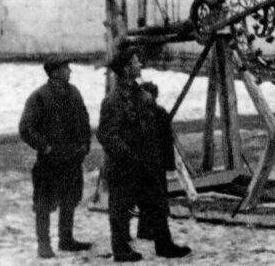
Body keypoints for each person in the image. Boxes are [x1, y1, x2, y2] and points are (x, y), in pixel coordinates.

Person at [98, 48, 190, 262]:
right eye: (135, 62)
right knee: (121, 208)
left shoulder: (143, 96)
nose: (140, 65)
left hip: (147, 164)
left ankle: (164, 245)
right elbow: (106, 135)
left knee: (157, 205)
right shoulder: (113, 101)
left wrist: (159, 158)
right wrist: (127, 156)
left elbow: (155, 126)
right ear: (126, 69)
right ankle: (121, 250)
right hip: (125, 167)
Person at [18, 55, 92, 259]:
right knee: (44, 203)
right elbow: (25, 128)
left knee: (70, 199)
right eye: (66, 68)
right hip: (50, 162)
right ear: (55, 72)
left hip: (73, 158)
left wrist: (85, 145)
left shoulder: (74, 92)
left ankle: (66, 239)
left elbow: (84, 120)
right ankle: (44, 244)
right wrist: (45, 148)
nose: (70, 71)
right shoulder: (39, 97)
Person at [135, 81, 175, 241]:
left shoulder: (159, 113)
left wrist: (169, 163)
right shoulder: (139, 113)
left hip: (157, 162)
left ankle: (151, 229)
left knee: (156, 197)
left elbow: (167, 140)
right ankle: (145, 230)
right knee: (145, 197)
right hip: (145, 163)